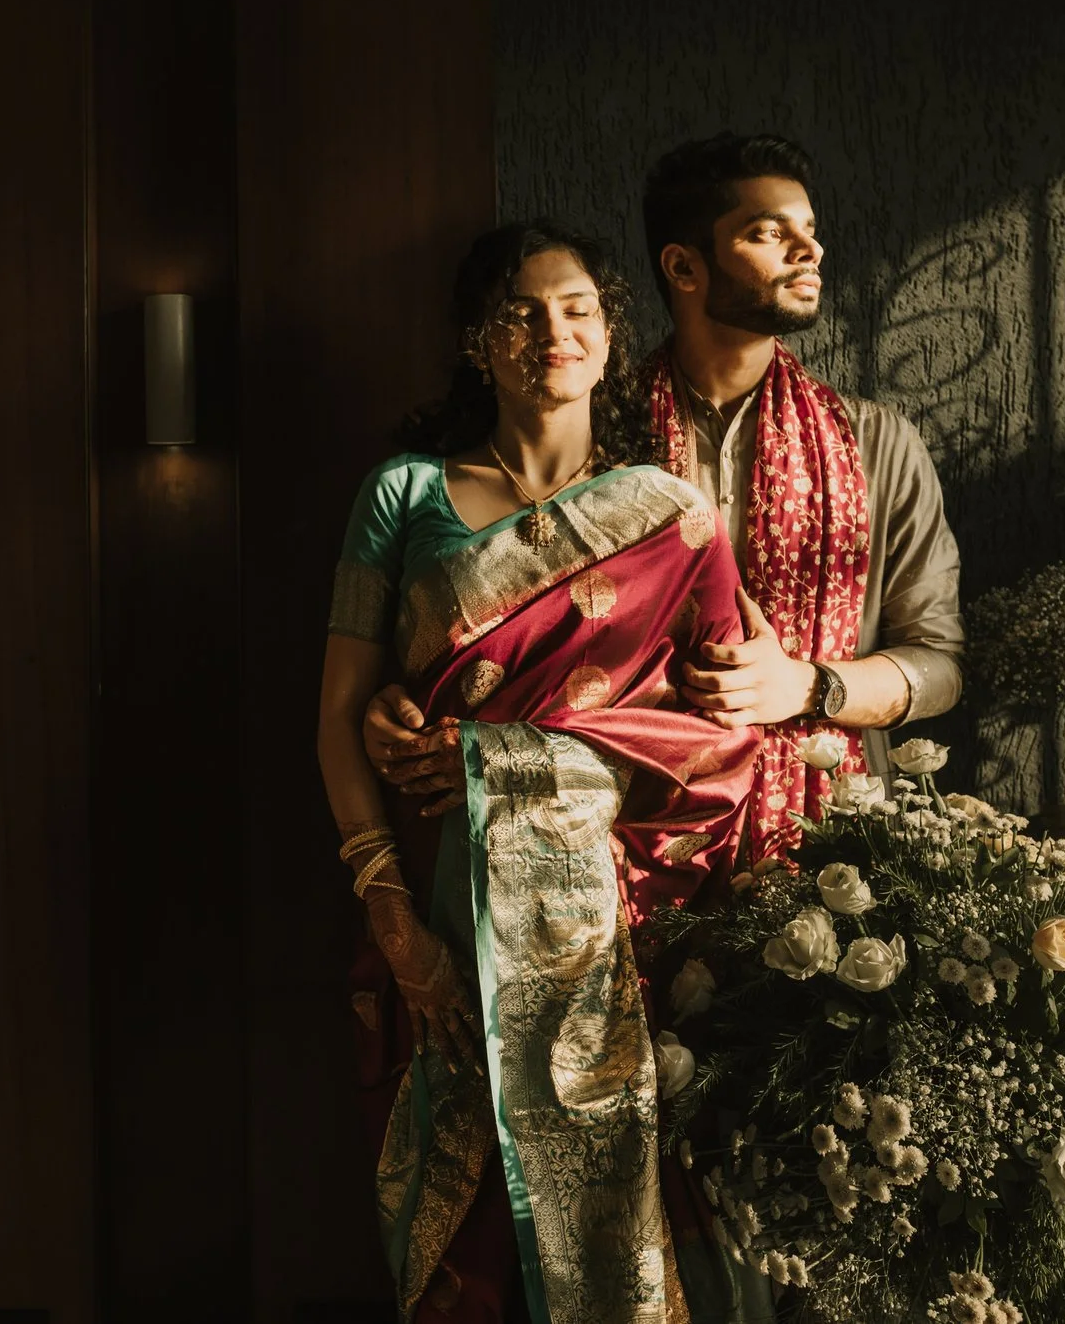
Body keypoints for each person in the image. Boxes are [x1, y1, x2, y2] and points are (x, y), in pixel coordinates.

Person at [319, 223, 761, 1324]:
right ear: (478, 340)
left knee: (620, 1210)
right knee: (463, 1238)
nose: (551, 330)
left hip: (608, 927)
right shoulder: (403, 494)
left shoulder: (671, 514)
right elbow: (335, 719)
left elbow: (723, 735)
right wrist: (391, 917)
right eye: (519, 311)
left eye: (576, 308)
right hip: (435, 903)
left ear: (610, 335)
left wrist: (514, 758)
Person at [368, 132, 965, 868]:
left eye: (809, 230)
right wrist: (406, 704)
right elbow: (520, 645)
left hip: (828, 857)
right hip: (622, 846)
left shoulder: (876, 444)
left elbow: (940, 664)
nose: (809, 250)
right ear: (682, 266)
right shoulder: (596, 442)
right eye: (767, 232)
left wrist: (809, 685)